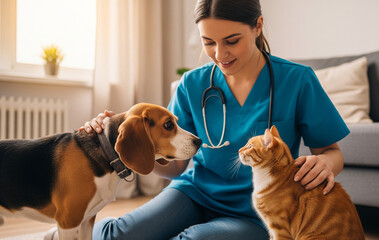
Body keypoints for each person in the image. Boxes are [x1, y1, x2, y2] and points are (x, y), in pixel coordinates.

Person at [82, 0, 349, 239]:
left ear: (257, 26)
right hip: (193, 193)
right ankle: (66, 232)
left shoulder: (297, 80)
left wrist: (325, 162)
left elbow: (331, 152)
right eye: (208, 42)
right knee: (118, 235)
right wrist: (120, 140)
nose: (220, 55)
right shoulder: (192, 84)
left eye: (232, 41)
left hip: (258, 210)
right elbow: (175, 167)